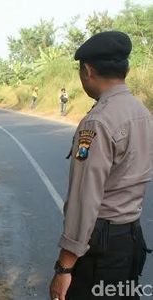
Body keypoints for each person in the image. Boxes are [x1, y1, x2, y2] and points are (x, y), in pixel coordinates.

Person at [49, 31, 152, 300]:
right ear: (125, 69)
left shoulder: (98, 122)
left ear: (87, 70)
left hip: (100, 251)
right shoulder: (142, 113)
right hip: (130, 240)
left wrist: (64, 268)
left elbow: (85, 201)